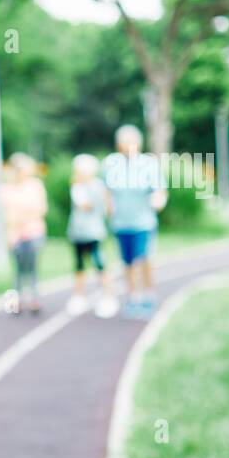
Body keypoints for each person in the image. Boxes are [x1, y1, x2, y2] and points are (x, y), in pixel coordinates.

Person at [103, 124, 165, 318]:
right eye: (124, 142)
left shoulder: (149, 163)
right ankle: (133, 297)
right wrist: (108, 208)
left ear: (139, 143)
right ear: (118, 145)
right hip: (121, 222)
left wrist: (158, 200)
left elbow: (160, 191)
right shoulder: (110, 163)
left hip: (143, 221)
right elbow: (106, 190)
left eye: (132, 142)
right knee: (127, 262)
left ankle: (148, 294)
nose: (128, 145)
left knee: (143, 259)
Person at [65, 153, 118, 318]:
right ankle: (78, 296)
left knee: (99, 265)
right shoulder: (78, 187)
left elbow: (89, 206)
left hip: (94, 232)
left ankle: (109, 297)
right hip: (77, 232)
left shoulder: (97, 187)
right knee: (79, 265)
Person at [0, 152, 47, 314]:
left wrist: (19, 217)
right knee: (18, 271)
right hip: (15, 235)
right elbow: (6, 214)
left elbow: (40, 209)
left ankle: (35, 300)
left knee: (32, 269)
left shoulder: (36, 185)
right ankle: (14, 303)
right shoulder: (5, 188)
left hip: (34, 233)